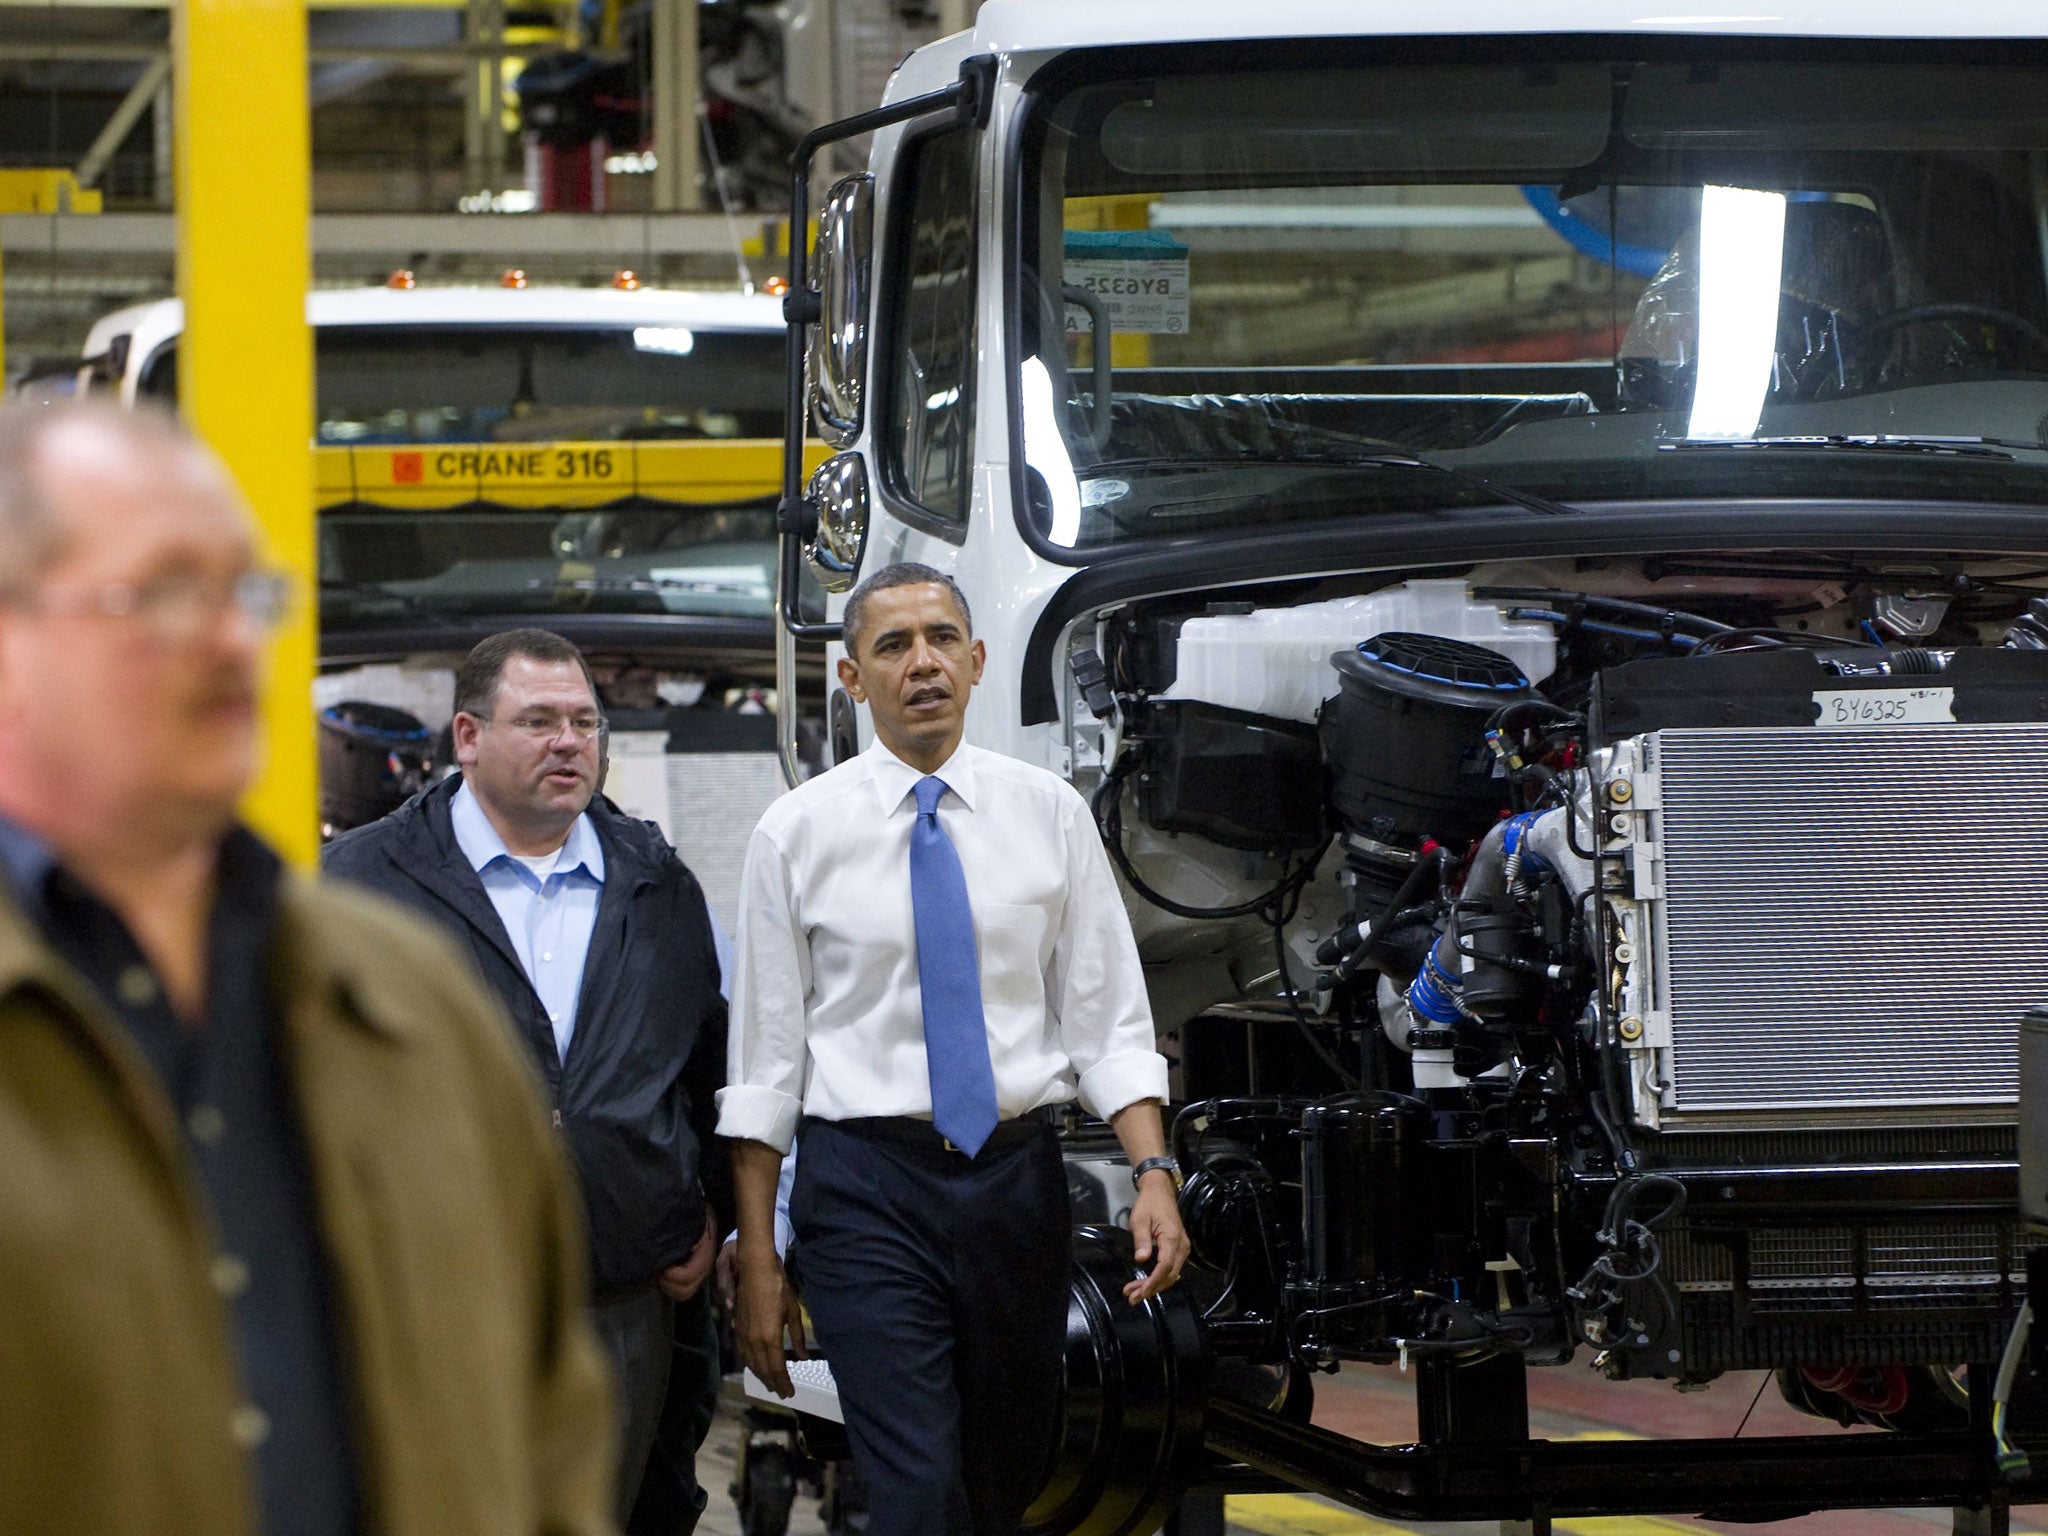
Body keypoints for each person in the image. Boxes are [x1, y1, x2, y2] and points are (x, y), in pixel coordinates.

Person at [0, 401, 614, 1534]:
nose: (236, 642)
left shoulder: (412, 1008)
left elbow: (552, 1429)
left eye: (247, 594)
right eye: (165, 591)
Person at [720, 561, 1190, 1536]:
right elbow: (764, 1067)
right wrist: (759, 1254)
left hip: (1013, 1183)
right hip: (861, 1190)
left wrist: (1152, 1171)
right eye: (891, 646)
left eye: (939, 640)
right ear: (852, 680)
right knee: (919, 1483)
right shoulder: (794, 836)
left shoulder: (1049, 815)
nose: (919, 663)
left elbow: (1106, 1020)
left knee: (1002, 1475)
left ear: (975, 662)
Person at [323, 627, 729, 1532]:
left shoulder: (657, 885)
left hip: (622, 1297)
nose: (569, 742)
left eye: (585, 722)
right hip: (434, 1301)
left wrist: (709, 1211)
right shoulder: (363, 882)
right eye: (539, 720)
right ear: (468, 737)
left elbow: (707, 1072)